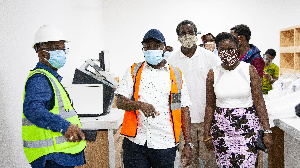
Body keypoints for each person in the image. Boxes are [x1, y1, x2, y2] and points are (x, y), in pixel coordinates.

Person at [115, 29, 193, 168]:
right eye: (147, 46)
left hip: (165, 142)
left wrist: (187, 143)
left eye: (156, 46)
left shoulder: (175, 74)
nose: (151, 49)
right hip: (136, 142)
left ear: (164, 47)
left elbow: (184, 109)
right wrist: (139, 105)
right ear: (143, 49)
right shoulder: (134, 70)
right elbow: (119, 101)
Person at [203, 32, 272, 167]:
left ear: (237, 50)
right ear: (218, 51)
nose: (227, 52)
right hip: (221, 132)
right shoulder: (213, 73)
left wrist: (267, 131)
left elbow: (259, 102)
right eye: (222, 50)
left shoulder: (249, 70)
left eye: (230, 49)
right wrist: (206, 134)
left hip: (247, 131)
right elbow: (210, 105)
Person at [22, 25, 86, 168]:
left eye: (63, 49)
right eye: (57, 48)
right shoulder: (39, 78)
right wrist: (65, 127)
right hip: (51, 158)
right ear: (42, 52)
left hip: (59, 156)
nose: (62, 53)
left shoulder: (51, 77)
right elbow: (32, 109)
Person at [167, 20, 221, 168]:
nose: (187, 36)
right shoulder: (172, 61)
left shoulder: (210, 58)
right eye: (183, 33)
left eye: (190, 32)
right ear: (178, 37)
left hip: (208, 122)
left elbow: (219, 89)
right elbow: (173, 94)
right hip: (185, 124)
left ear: (196, 35)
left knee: (212, 163)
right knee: (188, 164)